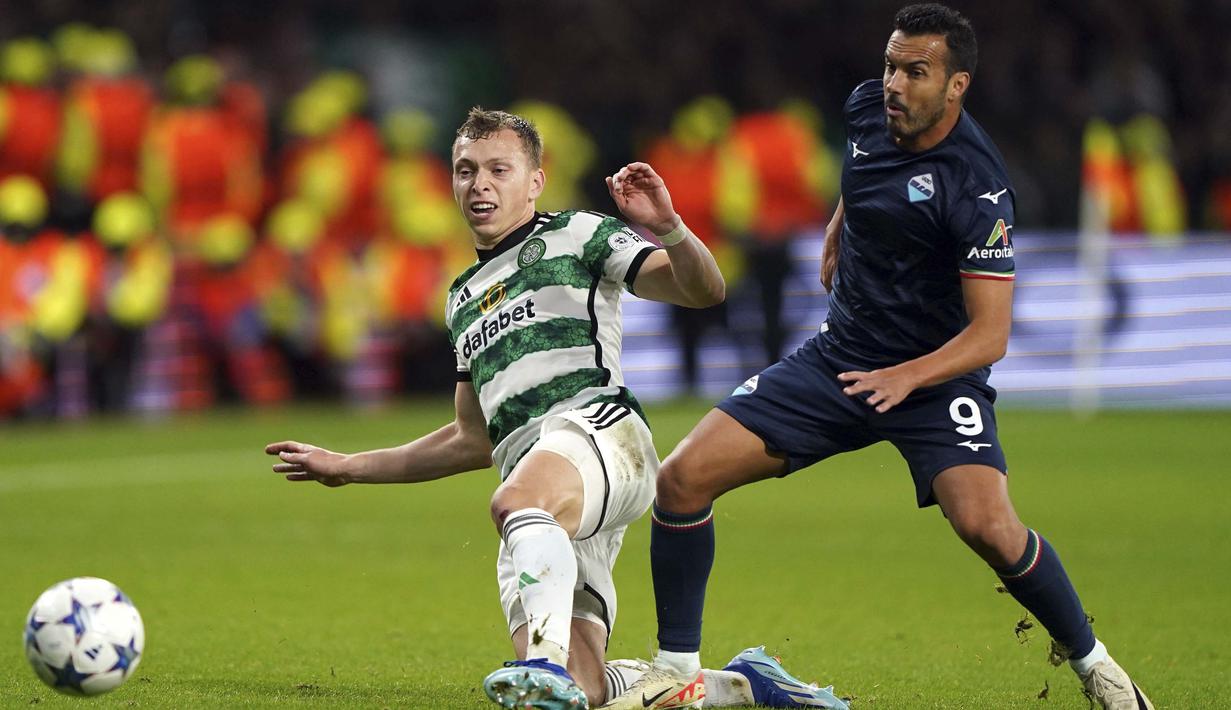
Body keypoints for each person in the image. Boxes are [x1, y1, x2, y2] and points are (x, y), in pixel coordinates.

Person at [602, 5, 1154, 710]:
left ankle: (1096, 667)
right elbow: (862, 169)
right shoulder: (867, 108)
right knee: (680, 480)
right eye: (891, 65)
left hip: (934, 379)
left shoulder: (976, 187)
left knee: (986, 527)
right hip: (840, 358)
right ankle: (677, 672)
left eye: (915, 72)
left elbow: (990, 335)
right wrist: (842, 223)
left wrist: (907, 376)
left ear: (955, 85)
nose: (894, 83)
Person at [265, 108, 847, 710]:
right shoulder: (461, 298)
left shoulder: (578, 234)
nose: (480, 184)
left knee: (516, 510)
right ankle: (742, 685)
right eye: (466, 170)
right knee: (586, 689)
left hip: (599, 434)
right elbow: (471, 439)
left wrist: (670, 228)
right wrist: (348, 467)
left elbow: (703, 290)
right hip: (541, 491)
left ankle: (541, 666)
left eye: (499, 170)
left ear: (535, 181)